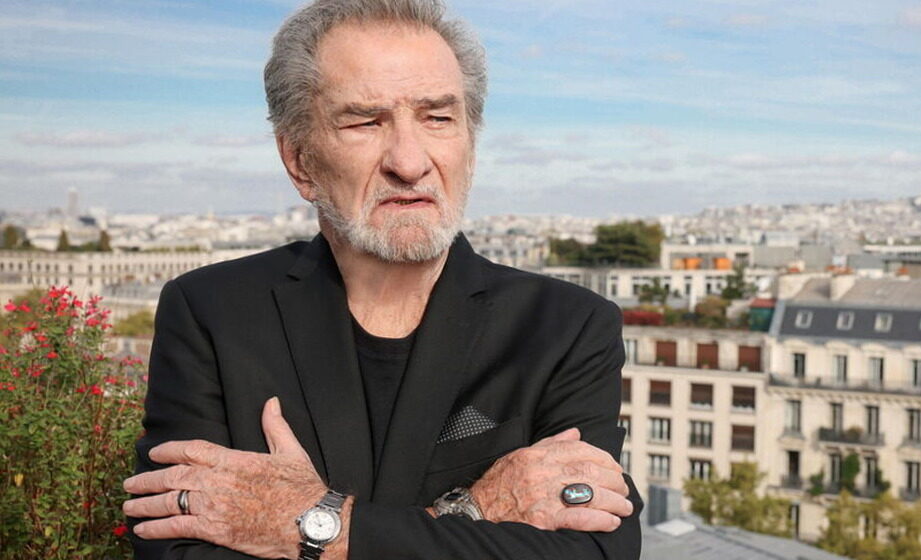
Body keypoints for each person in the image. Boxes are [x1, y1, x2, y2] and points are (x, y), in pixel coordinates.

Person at [120, 0, 641, 558]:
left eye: (438, 118)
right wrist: (472, 512)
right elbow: (172, 550)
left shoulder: (566, 327)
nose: (409, 162)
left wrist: (313, 527)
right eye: (366, 122)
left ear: (469, 142)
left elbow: (596, 550)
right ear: (300, 161)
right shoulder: (212, 312)